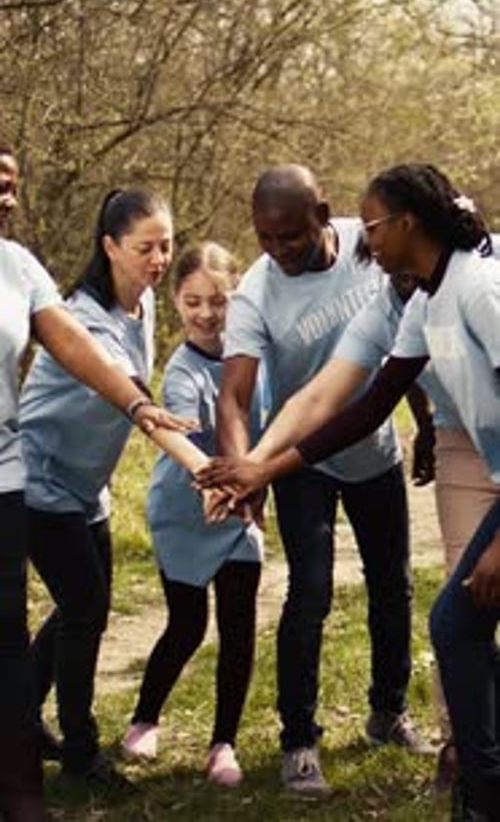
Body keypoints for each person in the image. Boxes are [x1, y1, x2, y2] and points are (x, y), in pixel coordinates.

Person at [200, 163, 500, 821]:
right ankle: (475, 781)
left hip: (464, 472)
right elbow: (344, 400)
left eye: (374, 228)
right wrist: (256, 467)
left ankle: (469, 775)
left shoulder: (475, 286)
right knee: (448, 618)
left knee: (440, 611)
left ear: (407, 224)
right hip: (377, 454)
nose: (367, 243)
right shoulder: (418, 299)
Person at [0, 144, 193, 822]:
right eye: (145, 246)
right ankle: (80, 753)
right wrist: (200, 465)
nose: (159, 259)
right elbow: (133, 397)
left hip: (90, 488)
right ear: (109, 246)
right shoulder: (81, 314)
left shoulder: (142, 311)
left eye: (166, 245)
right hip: (42, 480)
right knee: (84, 609)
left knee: (83, 606)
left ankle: (24, 718)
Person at [121, 242, 264, 787]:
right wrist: (221, 485)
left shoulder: (253, 357)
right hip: (185, 509)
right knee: (187, 625)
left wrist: (255, 490)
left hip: (237, 512)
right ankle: (144, 718)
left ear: (237, 300)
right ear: (176, 301)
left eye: (219, 301)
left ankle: (223, 743)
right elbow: (188, 439)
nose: (206, 314)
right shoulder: (183, 370)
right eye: (192, 302)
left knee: (238, 627)